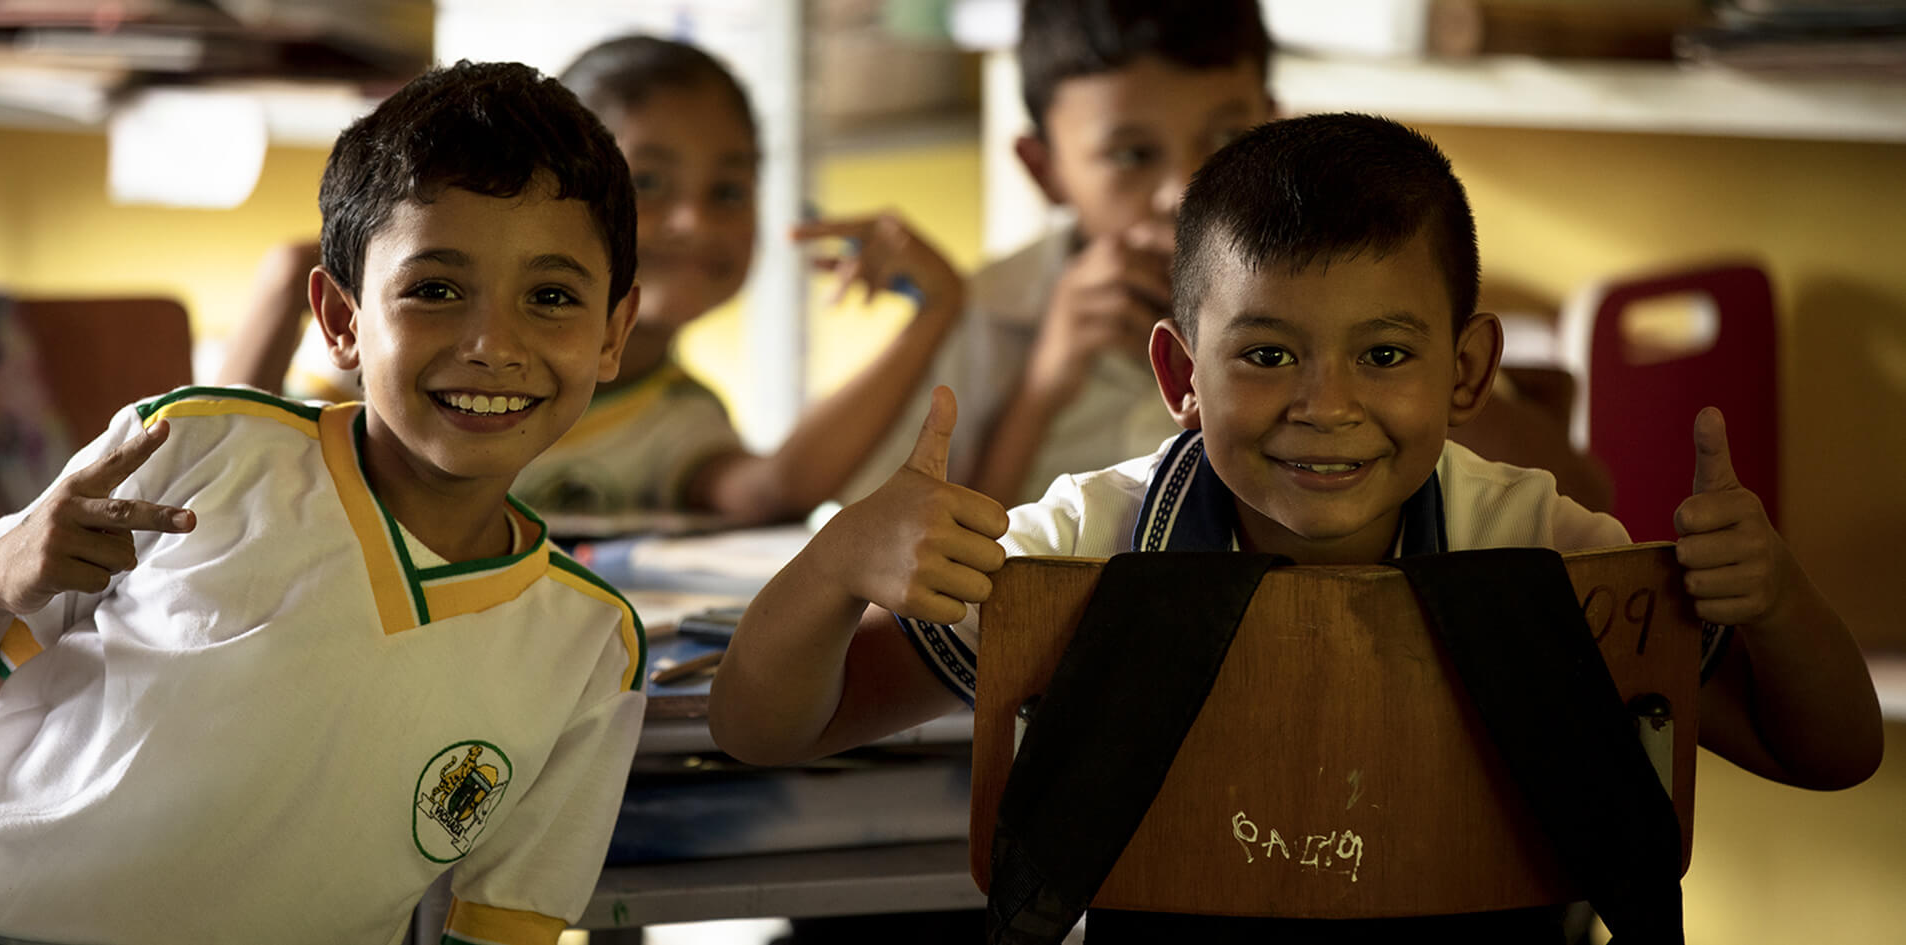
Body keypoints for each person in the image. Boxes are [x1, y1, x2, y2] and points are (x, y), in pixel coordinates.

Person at [708, 114, 1883, 941]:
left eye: (1386, 355)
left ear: (1469, 371)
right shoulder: (1091, 546)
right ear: (1180, 373)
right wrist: (834, 567)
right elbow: (767, 728)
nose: (1327, 407)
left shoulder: (1546, 554)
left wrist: (1776, 602)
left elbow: (1827, 755)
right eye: (1266, 355)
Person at [0, 61, 650, 944]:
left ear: (612, 332)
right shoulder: (192, 452)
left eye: (550, 297)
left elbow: (502, 927)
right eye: (434, 289)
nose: (492, 344)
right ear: (341, 319)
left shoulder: (588, 648)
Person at [221, 35, 967, 526]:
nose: (693, 223)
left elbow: (774, 492)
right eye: (650, 181)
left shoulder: (674, 418)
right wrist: (290, 278)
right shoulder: (400, 353)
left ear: (615, 329)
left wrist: (935, 312)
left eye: (729, 192)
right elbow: (224, 462)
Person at [835, 0, 1277, 510]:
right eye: (1131, 155)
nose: (1184, 192)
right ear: (1044, 171)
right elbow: (910, 558)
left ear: (1274, 126)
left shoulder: (1328, 301)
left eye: (1227, 137)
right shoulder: (986, 314)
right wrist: (1041, 388)